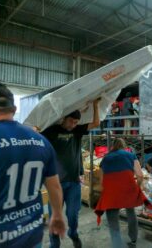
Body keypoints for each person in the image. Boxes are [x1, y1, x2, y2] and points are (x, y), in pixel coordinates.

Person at [0, 82, 65, 248]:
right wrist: (57, 214)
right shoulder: (41, 140)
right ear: (13, 109)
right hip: (31, 235)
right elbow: (55, 186)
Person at [41, 100, 100, 248]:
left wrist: (95, 105)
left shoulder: (77, 130)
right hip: (56, 183)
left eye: (76, 122)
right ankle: (54, 244)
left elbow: (96, 123)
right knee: (55, 216)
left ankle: (73, 233)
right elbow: (39, 131)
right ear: (64, 119)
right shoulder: (52, 131)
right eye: (71, 121)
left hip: (74, 181)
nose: (73, 124)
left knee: (73, 215)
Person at [96, 138, 144, 248]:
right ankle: (133, 240)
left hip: (112, 192)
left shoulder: (106, 158)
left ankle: (117, 244)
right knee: (131, 212)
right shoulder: (130, 155)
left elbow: (101, 180)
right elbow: (140, 175)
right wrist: (138, 187)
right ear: (124, 146)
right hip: (128, 189)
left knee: (113, 221)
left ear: (113, 146)